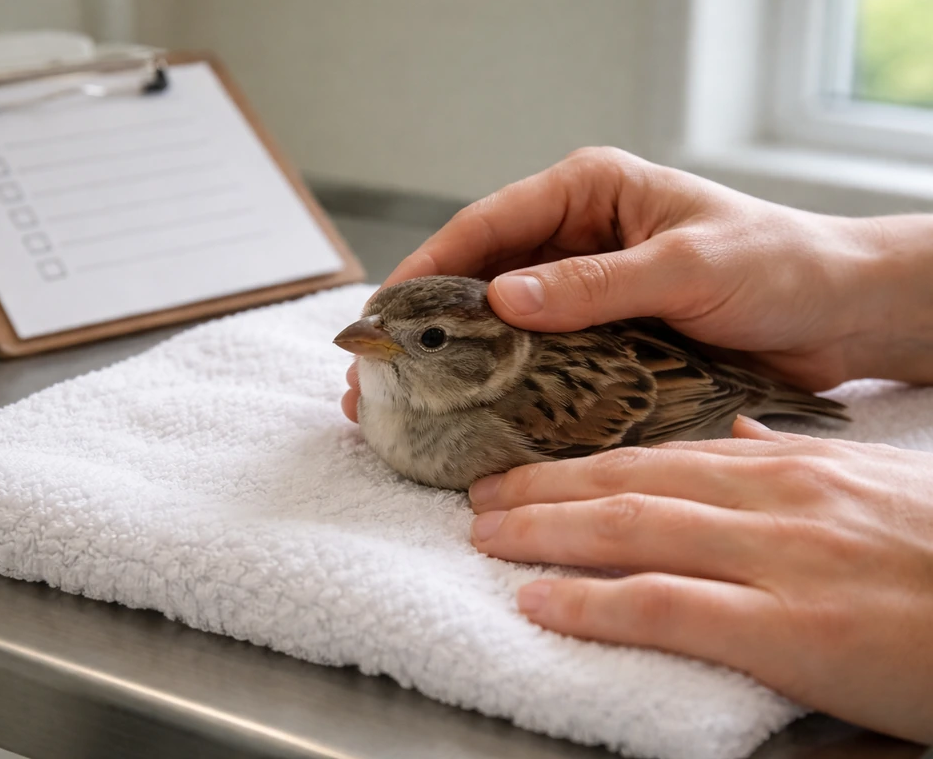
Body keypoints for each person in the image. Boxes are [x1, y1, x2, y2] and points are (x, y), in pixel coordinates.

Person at [341, 147, 933, 744]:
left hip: (677, 400)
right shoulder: (382, 402)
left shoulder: (515, 412)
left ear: (487, 358)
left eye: (433, 340)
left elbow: (655, 404)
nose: (364, 344)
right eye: (375, 329)